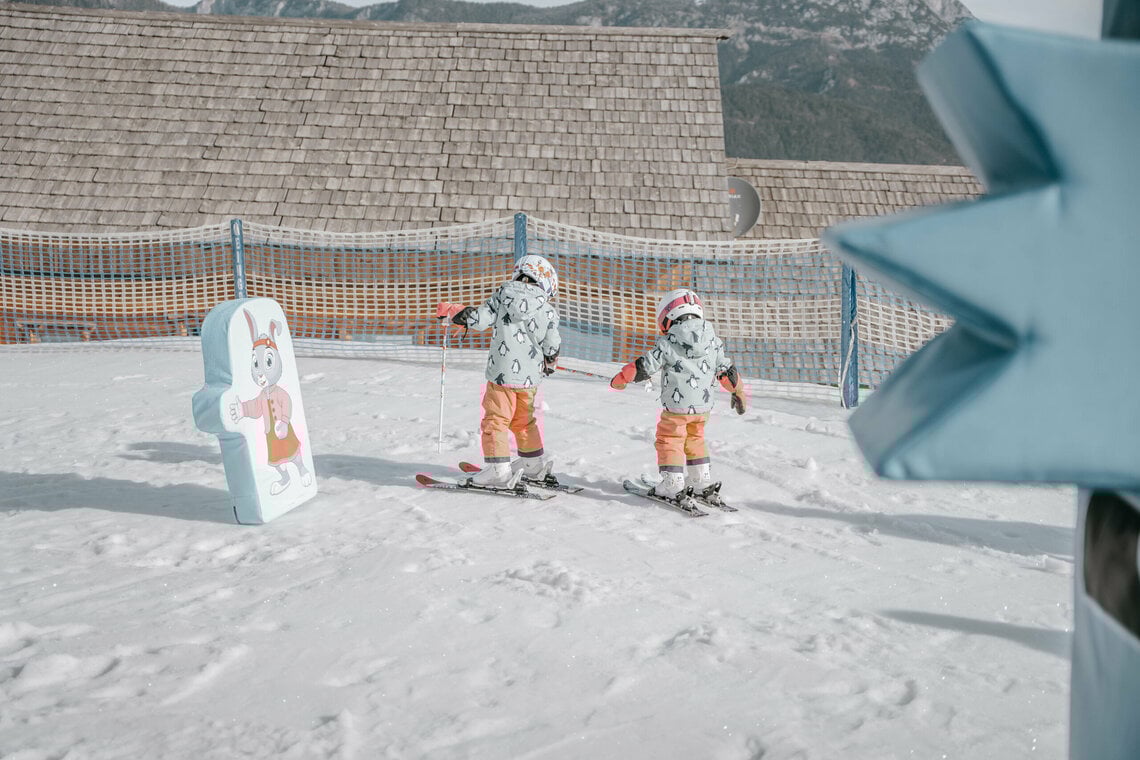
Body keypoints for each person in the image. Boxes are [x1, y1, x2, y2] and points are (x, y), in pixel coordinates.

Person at [437, 254, 562, 488]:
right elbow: (552, 345)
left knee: (496, 420)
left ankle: (498, 470)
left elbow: (480, 319)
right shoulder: (548, 311)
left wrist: (456, 312)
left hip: (501, 375)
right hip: (529, 380)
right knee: (525, 422)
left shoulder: (502, 296)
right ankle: (533, 465)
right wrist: (550, 363)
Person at [609, 288, 746, 501]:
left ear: (668, 316)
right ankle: (701, 480)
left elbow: (645, 365)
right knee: (695, 437)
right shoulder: (713, 341)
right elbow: (727, 372)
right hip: (703, 407)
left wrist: (621, 379)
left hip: (677, 406)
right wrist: (737, 391)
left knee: (670, 438)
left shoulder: (669, 342)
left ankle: (673, 483)